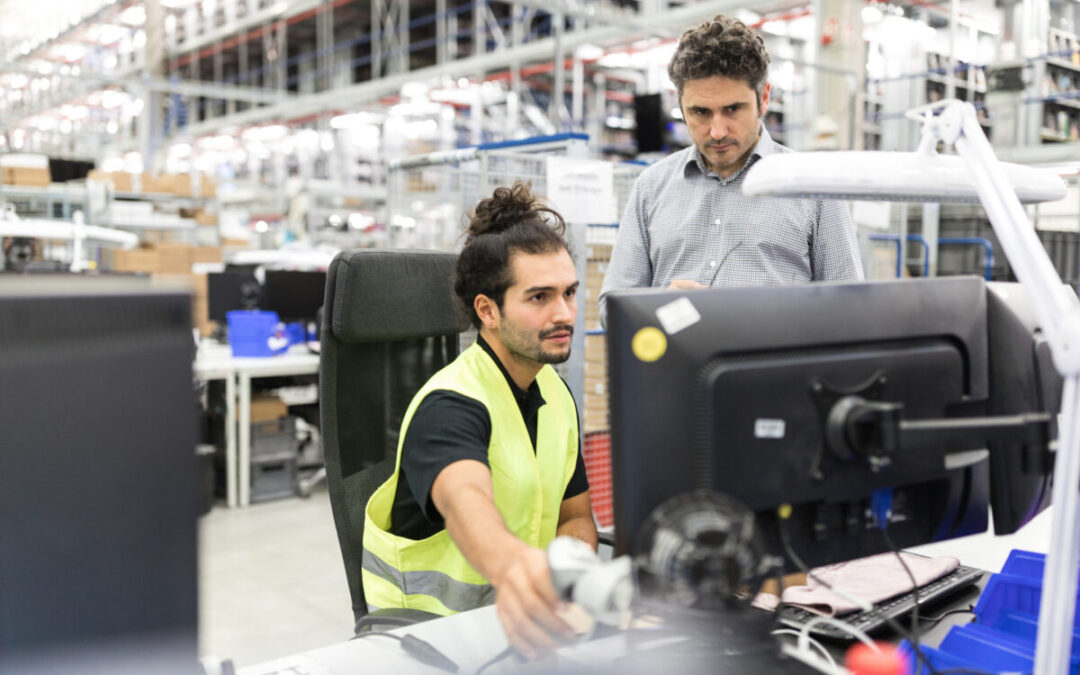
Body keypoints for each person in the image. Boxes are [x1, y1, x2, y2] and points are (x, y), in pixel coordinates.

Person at [362, 181, 598, 660]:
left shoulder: (554, 391)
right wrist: (518, 575)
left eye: (569, 293)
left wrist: (568, 581)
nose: (564, 313)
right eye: (539, 297)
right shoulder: (450, 406)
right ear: (487, 311)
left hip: (520, 636)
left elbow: (574, 516)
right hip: (428, 641)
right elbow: (465, 501)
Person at [599, 14, 864, 324]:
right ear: (680, 104)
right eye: (700, 112)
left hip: (773, 371)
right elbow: (611, 308)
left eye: (733, 109)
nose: (717, 131)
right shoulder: (651, 188)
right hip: (674, 371)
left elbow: (850, 307)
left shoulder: (813, 188)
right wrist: (658, 307)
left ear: (763, 98)